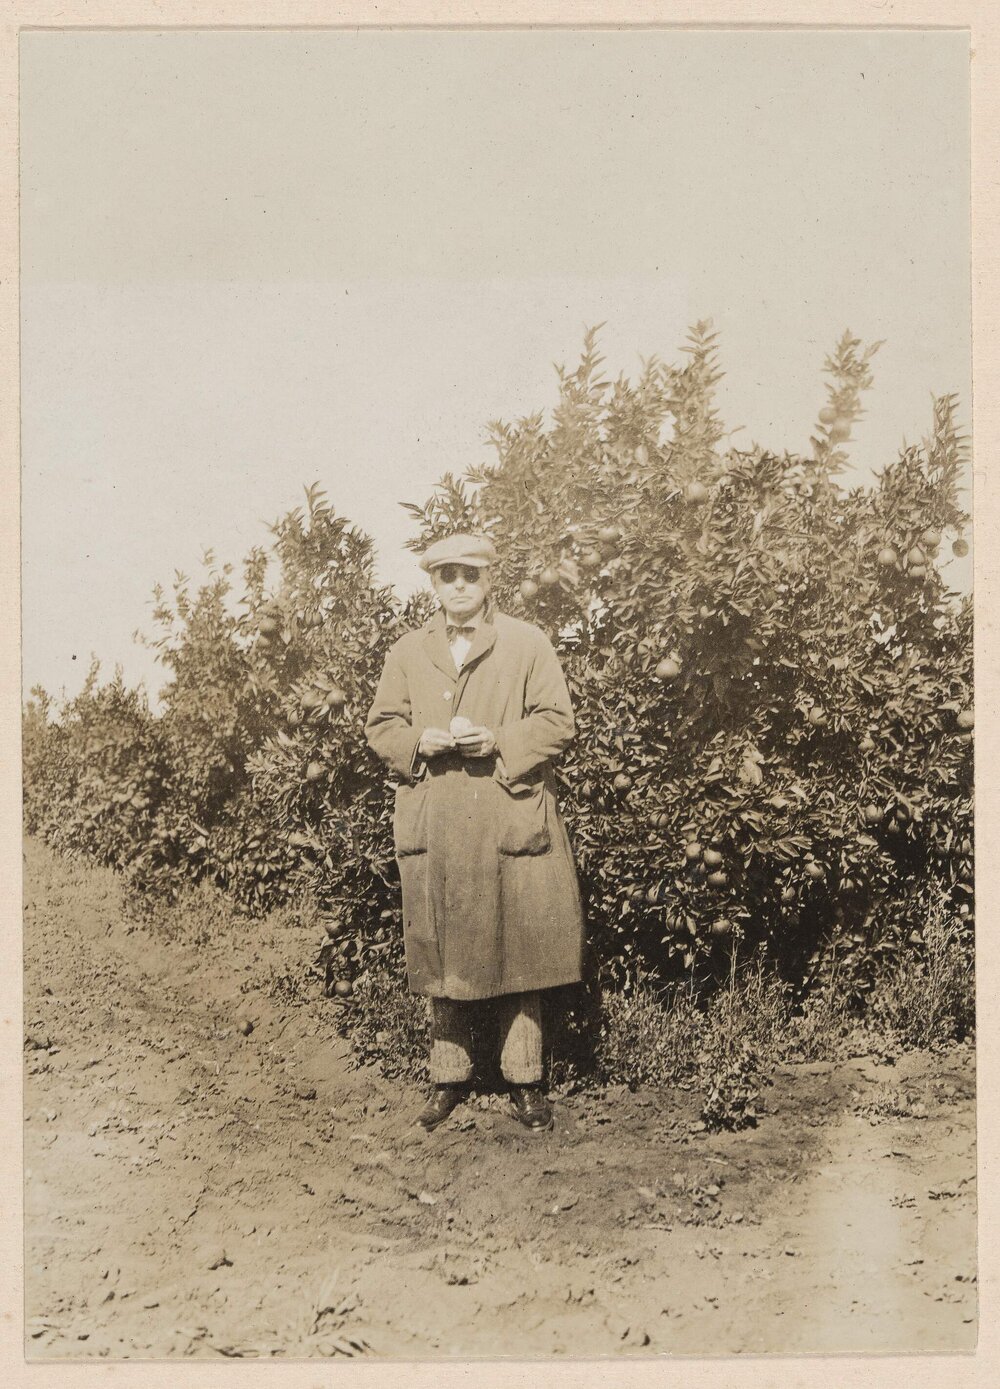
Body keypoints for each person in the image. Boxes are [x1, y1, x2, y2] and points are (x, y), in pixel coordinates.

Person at [365, 533, 585, 1132]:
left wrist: (501, 741)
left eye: (470, 574)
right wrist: (417, 741)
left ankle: (526, 1081)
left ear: (490, 580)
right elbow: (382, 724)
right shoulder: (408, 651)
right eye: (447, 576)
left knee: (519, 946)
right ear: (432, 585)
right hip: (436, 818)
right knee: (442, 948)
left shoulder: (526, 643)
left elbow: (557, 721)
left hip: (505, 815)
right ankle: (448, 1078)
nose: (459, 585)